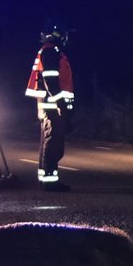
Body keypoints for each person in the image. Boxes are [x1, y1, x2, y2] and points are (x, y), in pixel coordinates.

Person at [25, 24, 75, 184]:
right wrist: (61, 104)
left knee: (51, 141)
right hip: (52, 105)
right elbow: (51, 80)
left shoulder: (51, 52)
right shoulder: (51, 52)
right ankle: (49, 180)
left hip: (50, 104)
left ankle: (48, 178)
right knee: (53, 142)